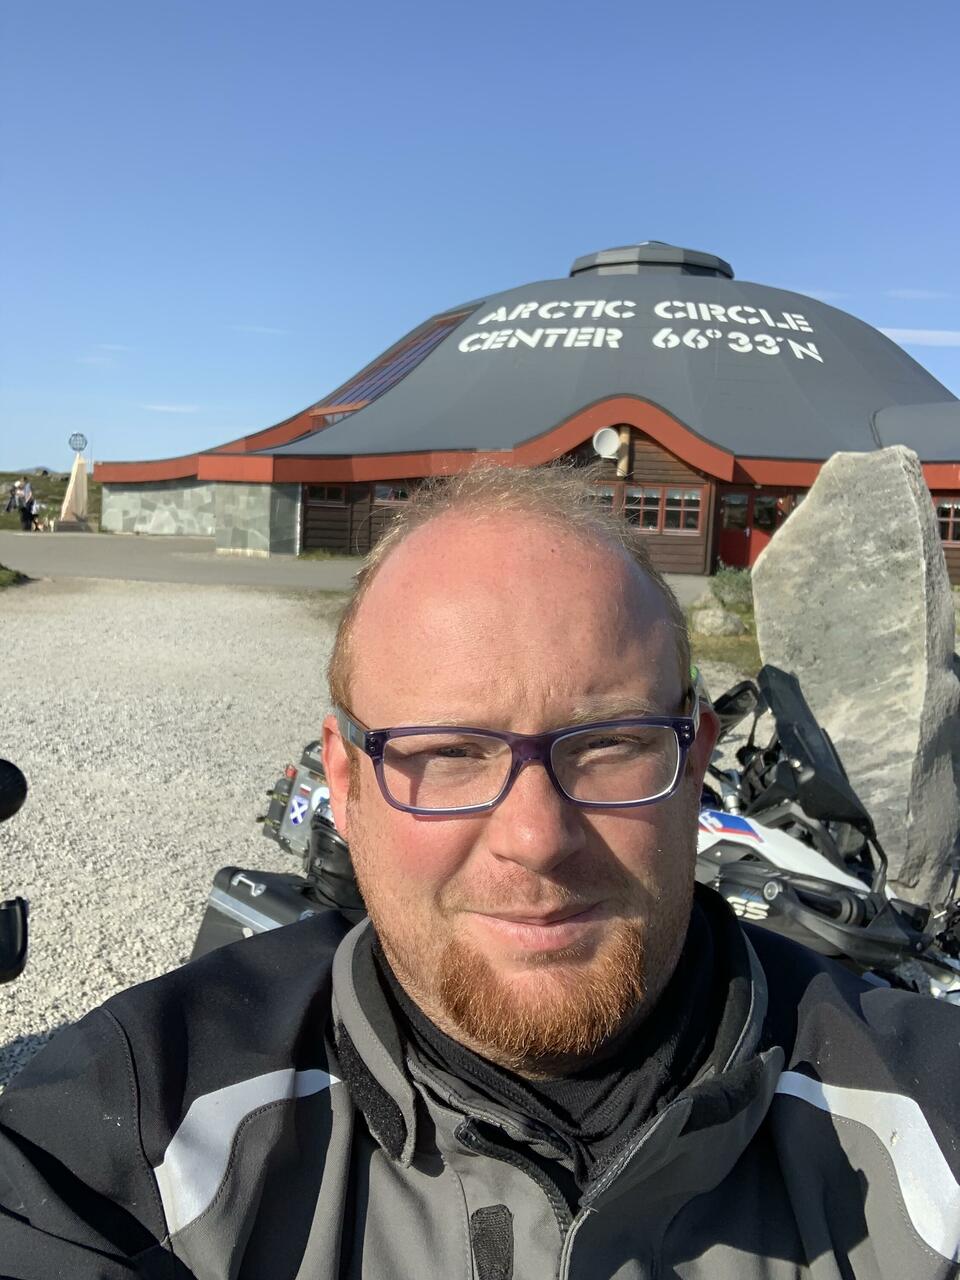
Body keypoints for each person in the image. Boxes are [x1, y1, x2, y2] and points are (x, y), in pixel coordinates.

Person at [0, 465, 958, 1280]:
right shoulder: (136, 1125)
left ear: (697, 759)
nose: (535, 839)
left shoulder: (927, 1111)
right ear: (345, 782)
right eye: (450, 752)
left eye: (611, 743)